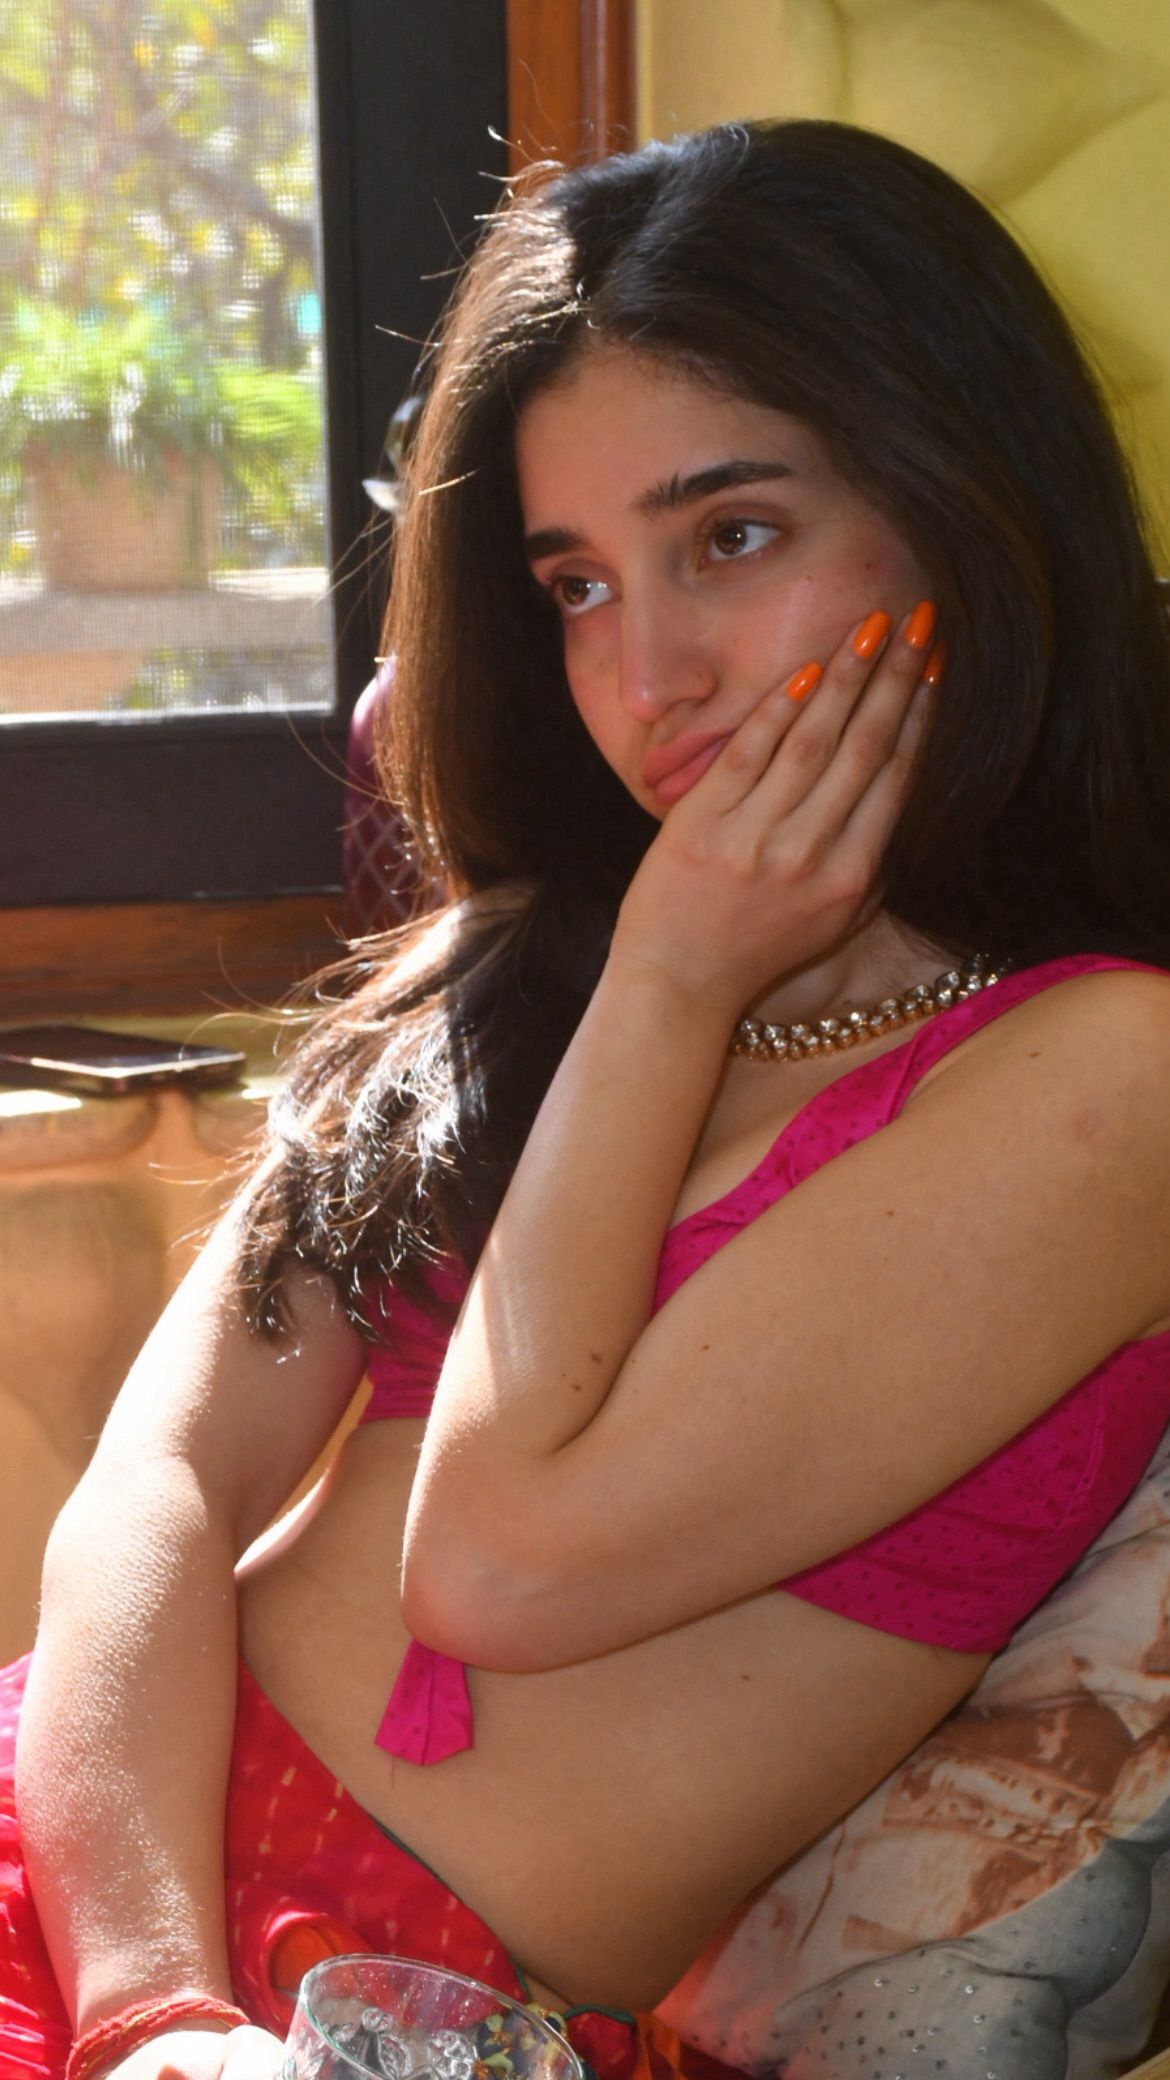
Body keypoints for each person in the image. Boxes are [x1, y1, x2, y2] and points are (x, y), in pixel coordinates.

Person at [6, 116, 1170, 2080]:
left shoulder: (1105, 1077)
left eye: (731, 536)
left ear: (968, 517)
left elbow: (495, 1560)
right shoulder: (497, 986)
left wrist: (673, 976)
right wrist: (148, 2008)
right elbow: (160, 1484)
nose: (651, 677)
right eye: (575, 583)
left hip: (405, 2015)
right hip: (104, 1908)